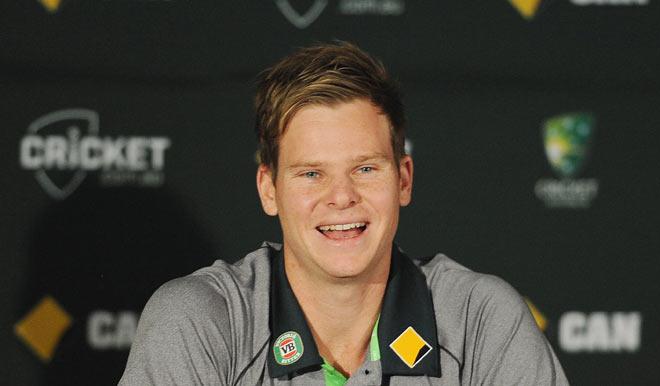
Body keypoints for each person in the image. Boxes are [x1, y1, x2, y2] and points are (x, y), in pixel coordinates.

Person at [119, 42, 568, 385]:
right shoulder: (201, 320)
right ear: (268, 189)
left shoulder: (480, 320)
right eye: (312, 173)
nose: (341, 197)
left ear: (404, 180)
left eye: (365, 168)